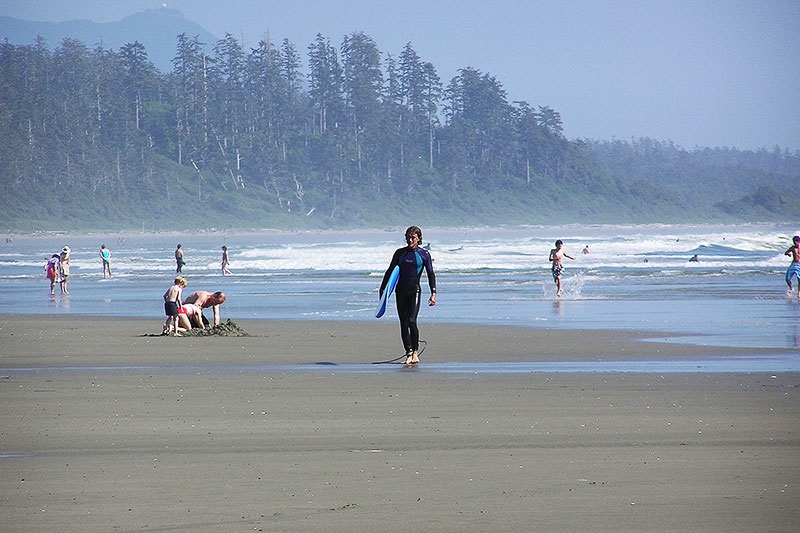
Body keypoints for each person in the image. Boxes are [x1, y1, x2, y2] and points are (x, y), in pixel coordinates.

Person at [379, 225, 437, 365]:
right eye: (408, 237)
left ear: (419, 238)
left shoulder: (424, 254)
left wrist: (433, 293)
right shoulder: (399, 253)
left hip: (414, 291)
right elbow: (389, 272)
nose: (410, 240)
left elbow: (430, 274)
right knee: (403, 323)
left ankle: (415, 352)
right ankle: (408, 352)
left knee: (411, 320)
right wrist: (383, 291)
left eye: (413, 238)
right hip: (400, 291)